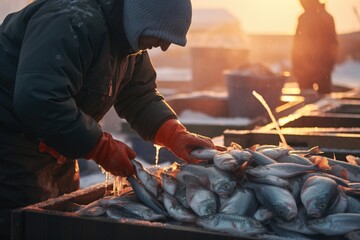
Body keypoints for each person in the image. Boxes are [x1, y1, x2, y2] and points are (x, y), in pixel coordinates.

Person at [0, 0, 217, 238]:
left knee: (59, 224)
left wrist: (173, 134)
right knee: (21, 228)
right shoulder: (71, 20)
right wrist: (99, 147)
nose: (164, 47)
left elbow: (139, 96)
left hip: (57, 146)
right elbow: (39, 98)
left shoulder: (129, 43)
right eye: (160, 35)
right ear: (139, 17)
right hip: (10, 150)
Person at [292, 0, 339, 94]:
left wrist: (297, 66)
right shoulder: (326, 17)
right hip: (317, 69)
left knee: (310, 101)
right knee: (322, 100)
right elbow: (334, 44)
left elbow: (298, 44)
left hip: (309, 69)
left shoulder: (305, 18)